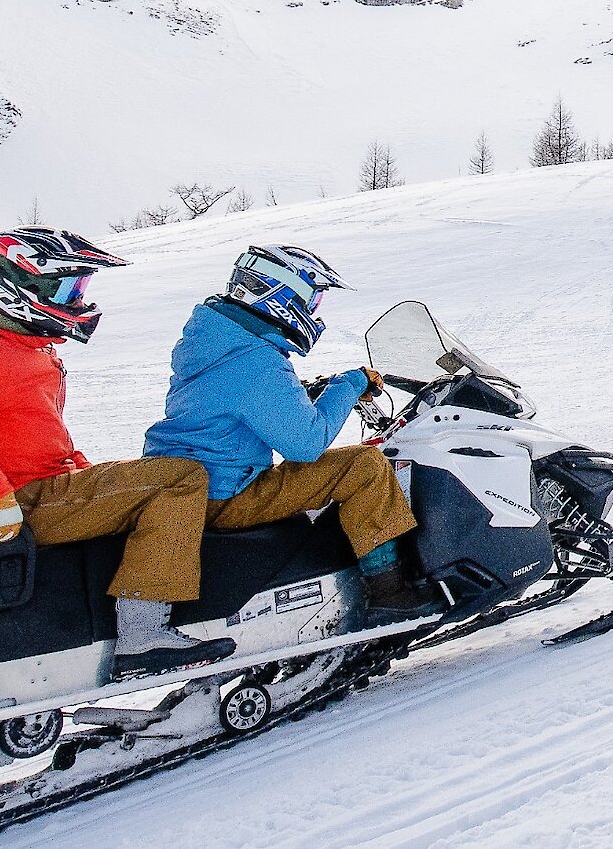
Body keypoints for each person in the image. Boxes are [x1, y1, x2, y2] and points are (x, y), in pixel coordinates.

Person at [0, 226, 237, 681]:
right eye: (68, 287)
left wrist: (84, 472)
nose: (78, 300)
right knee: (179, 479)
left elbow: (28, 436)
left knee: (153, 479)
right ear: (16, 286)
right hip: (18, 501)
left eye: (80, 287)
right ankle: (143, 637)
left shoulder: (10, 345)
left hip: (34, 487)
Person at [141, 245, 440, 628]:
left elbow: (238, 401)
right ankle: (391, 591)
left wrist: (308, 392)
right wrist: (350, 384)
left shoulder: (217, 340)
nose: (313, 311)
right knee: (363, 465)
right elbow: (307, 444)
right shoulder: (256, 360)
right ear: (280, 295)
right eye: (311, 299)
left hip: (196, 485)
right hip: (227, 496)